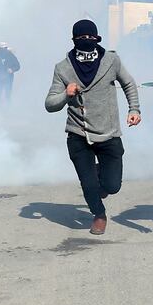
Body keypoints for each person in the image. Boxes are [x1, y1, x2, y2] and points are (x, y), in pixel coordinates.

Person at [45, 20, 141, 236]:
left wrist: (134, 109)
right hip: (78, 134)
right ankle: (99, 215)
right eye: (82, 39)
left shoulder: (111, 60)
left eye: (91, 38)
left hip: (109, 133)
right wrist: (66, 94)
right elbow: (50, 104)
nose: (87, 42)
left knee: (112, 186)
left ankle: (100, 175)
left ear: (97, 39)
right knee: (88, 184)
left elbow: (129, 83)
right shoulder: (63, 68)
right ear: (73, 41)